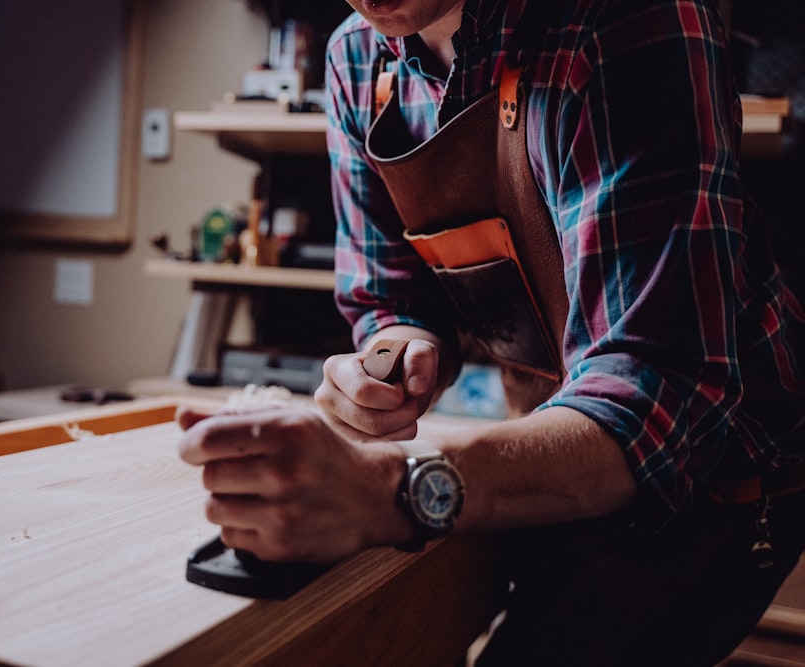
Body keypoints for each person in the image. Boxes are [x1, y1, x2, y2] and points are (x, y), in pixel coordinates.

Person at [177, 0, 805, 663]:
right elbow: (391, 298)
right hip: (549, 443)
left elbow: (655, 396)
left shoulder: (630, 16)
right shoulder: (357, 59)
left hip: (718, 474)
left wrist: (387, 487)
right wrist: (391, 357)